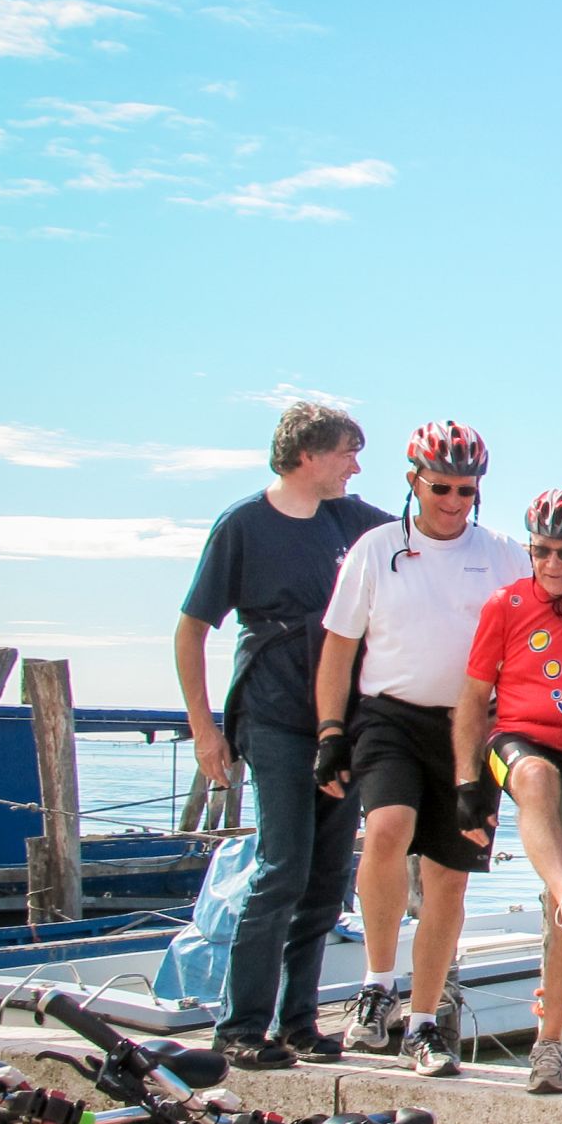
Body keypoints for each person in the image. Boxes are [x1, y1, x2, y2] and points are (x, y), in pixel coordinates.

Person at [174, 400, 391, 1069]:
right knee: (282, 868)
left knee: (327, 878)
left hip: (338, 724)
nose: (357, 466)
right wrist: (205, 730)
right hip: (270, 717)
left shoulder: (351, 521)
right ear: (309, 455)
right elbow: (190, 631)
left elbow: (428, 536)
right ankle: (240, 1028)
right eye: (347, 452)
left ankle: (299, 1022)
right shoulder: (242, 525)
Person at [318, 421, 533, 1078]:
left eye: (467, 490)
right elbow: (338, 647)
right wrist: (330, 731)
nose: (454, 501)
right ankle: (376, 987)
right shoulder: (375, 549)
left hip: (471, 728)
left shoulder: (503, 554)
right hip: (389, 716)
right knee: (386, 829)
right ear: (413, 480)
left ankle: (421, 1022)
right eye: (441, 487)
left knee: (448, 876)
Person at [452, 488, 562, 1096]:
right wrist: (467, 781)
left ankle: (549, 1049)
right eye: (541, 552)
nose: (551, 565)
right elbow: (472, 700)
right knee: (535, 780)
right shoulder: (506, 604)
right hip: (516, 740)